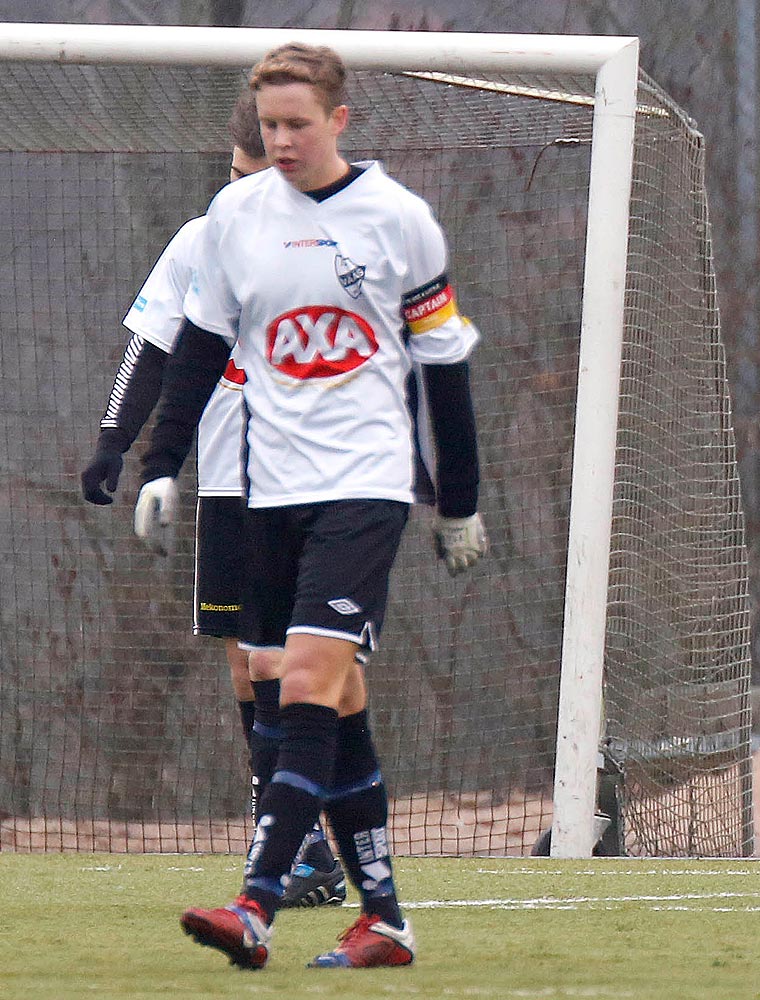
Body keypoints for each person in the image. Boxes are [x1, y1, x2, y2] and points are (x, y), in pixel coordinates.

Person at [136, 42, 487, 969]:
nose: (280, 140)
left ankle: (254, 905)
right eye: (268, 126)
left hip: (367, 484)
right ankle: (386, 920)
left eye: (297, 124)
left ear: (339, 121)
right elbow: (200, 351)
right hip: (268, 486)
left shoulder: (399, 222)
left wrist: (459, 500)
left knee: (297, 682)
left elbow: (445, 371)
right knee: (340, 702)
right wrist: (161, 463)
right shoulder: (234, 219)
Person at [80, 87, 347, 909]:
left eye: (251, 175)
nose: (233, 191)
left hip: (317, 482)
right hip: (230, 483)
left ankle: (303, 830)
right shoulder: (205, 237)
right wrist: (114, 445)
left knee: (301, 657)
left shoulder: (341, 241)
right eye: (230, 172)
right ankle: (288, 826)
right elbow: (152, 346)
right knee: (244, 654)